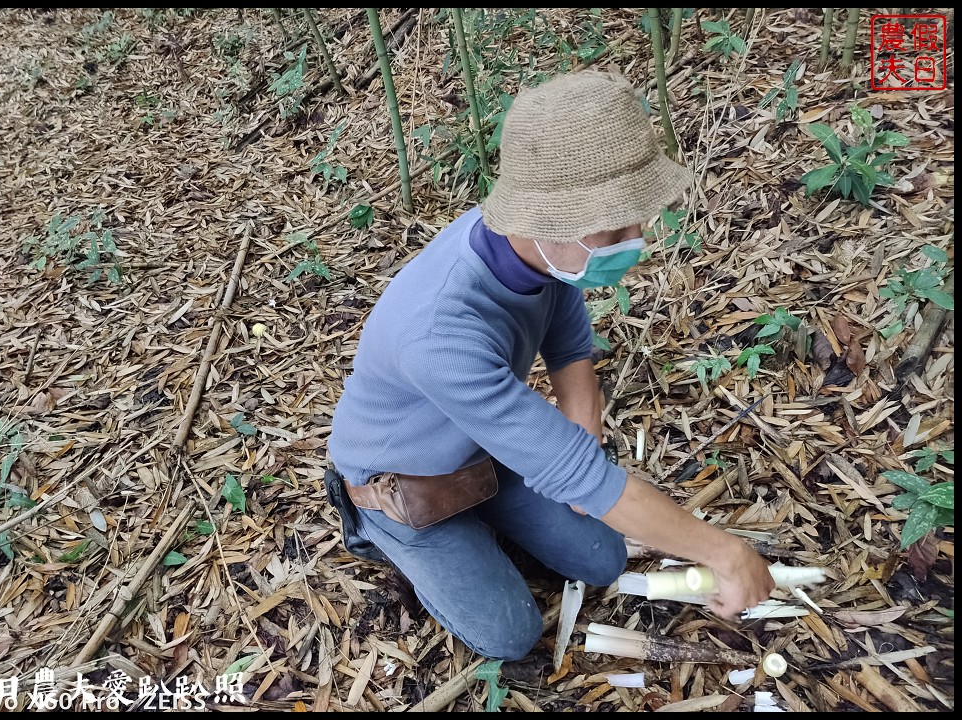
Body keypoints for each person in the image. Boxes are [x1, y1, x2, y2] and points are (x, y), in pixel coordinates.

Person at [325, 70, 775, 661]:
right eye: (612, 225)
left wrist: (583, 466)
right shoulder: (438, 329)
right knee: (511, 635)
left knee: (603, 557)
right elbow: (577, 470)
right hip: (403, 484)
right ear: (544, 222)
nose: (631, 238)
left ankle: (495, 511)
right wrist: (724, 552)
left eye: (636, 219)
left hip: (483, 453)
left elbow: (569, 354)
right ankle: (377, 530)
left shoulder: (545, 260)